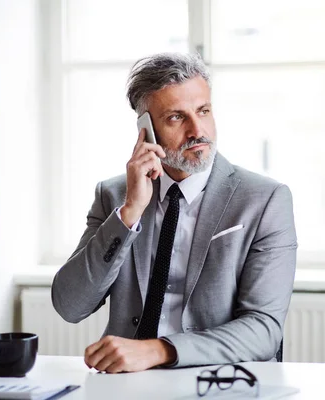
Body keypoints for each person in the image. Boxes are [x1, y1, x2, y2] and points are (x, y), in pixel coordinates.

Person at [51, 53, 297, 373]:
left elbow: (264, 330)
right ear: (146, 130)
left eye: (203, 111)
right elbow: (70, 305)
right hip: (127, 384)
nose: (198, 130)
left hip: (214, 380)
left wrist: (158, 350)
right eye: (176, 118)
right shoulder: (114, 196)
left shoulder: (265, 200)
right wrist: (129, 214)